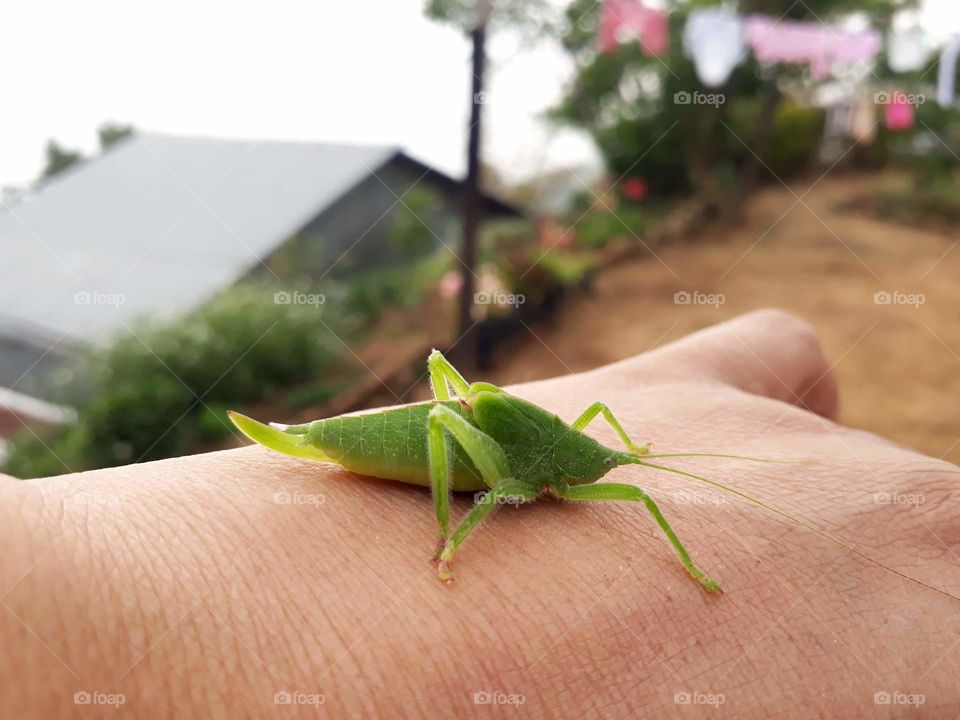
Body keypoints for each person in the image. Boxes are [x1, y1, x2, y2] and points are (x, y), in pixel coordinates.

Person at [1, 310, 956, 717]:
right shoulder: (547, 474)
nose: (606, 474)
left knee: (488, 419)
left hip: (482, 432)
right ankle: (433, 524)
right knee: (473, 429)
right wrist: (457, 540)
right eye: (600, 466)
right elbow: (524, 446)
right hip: (466, 447)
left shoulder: (595, 470)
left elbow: (602, 439)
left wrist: (630, 457)